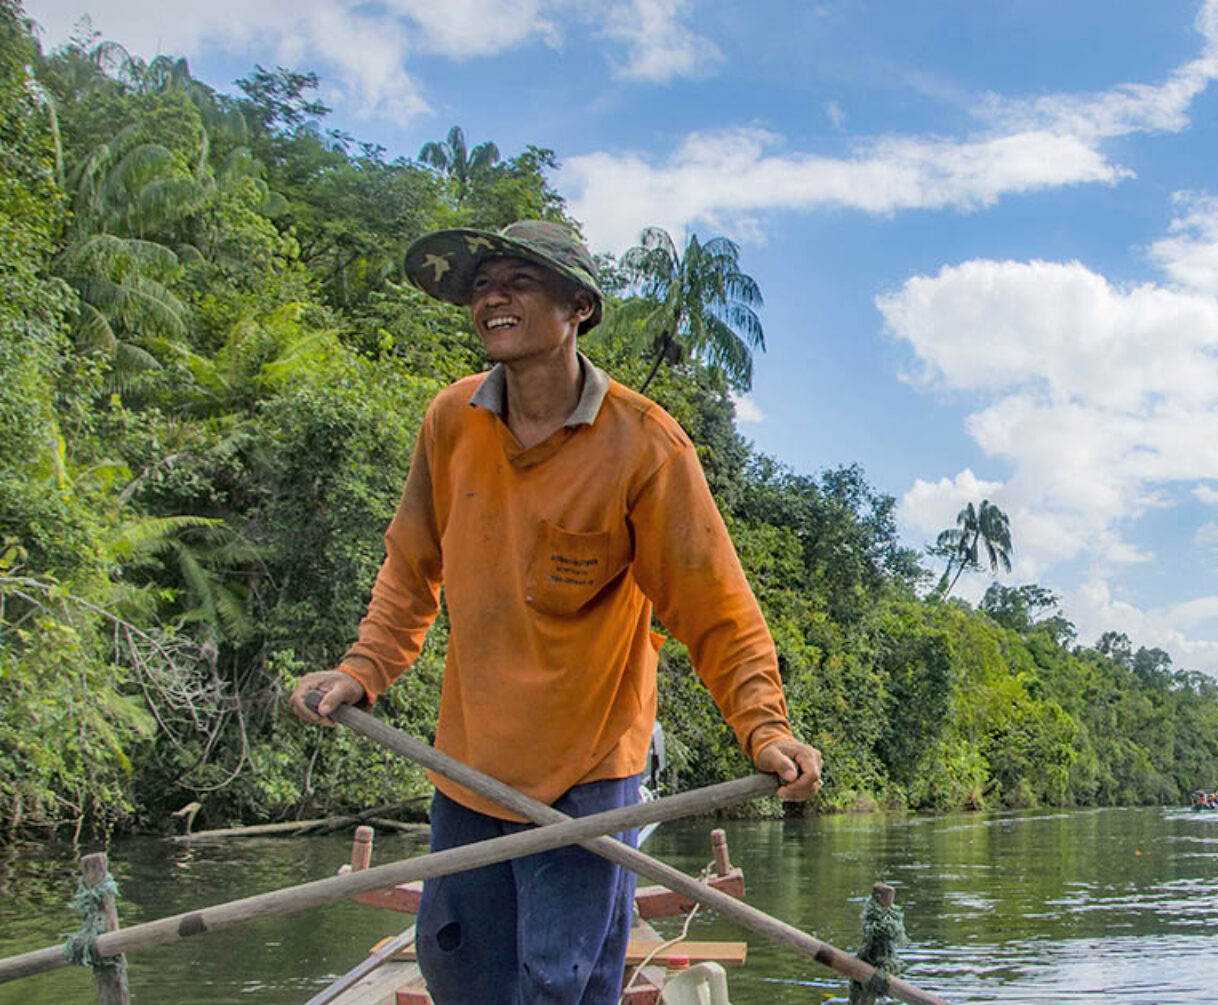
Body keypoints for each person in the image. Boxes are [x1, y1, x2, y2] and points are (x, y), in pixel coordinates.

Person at [289, 219, 822, 1004]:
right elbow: (410, 568)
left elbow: (717, 610)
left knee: (561, 982)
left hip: (586, 778)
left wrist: (766, 728)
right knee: (460, 971)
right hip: (467, 769)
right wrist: (361, 671)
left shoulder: (644, 446)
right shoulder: (450, 422)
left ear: (577, 307)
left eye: (519, 282)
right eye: (481, 285)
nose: (492, 297)